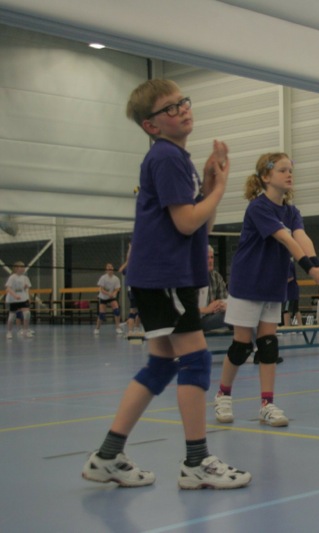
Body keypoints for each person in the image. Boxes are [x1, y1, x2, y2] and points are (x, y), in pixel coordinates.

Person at [82, 79, 250, 489]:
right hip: (165, 278)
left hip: (164, 277)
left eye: (183, 102)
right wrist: (221, 189)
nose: (183, 109)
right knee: (196, 361)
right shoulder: (166, 157)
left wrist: (208, 186)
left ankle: (107, 456)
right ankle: (196, 461)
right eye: (170, 108)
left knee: (160, 365)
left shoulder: (176, 158)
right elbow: (187, 222)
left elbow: (201, 225)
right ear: (151, 125)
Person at [214, 152, 319, 427]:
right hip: (248, 283)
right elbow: (286, 239)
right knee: (242, 346)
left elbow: (301, 237)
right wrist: (309, 269)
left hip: (272, 283)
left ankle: (267, 404)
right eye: (282, 170)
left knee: (268, 344)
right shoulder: (258, 207)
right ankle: (223, 395)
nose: (289, 174)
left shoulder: (291, 211)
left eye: (291, 170)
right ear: (266, 176)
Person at [197, 245, 229, 332]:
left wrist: (222, 305)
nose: (210, 261)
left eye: (212, 257)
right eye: (207, 258)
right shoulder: (192, 279)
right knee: (230, 317)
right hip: (197, 319)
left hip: (212, 315)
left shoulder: (216, 276)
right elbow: (187, 311)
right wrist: (207, 309)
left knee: (235, 313)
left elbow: (225, 300)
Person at [5, 261, 33, 339]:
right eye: (21, 267)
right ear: (16, 268)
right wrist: (15, 295)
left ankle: (25, 331)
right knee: (12, 316)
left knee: (27, 313)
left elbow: (27, 289)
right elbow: (8, 289)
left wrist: (29, 297)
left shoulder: (25, 278)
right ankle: (9, 332)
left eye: (23, 267)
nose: (23, 269)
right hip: (13, 299)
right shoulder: (12, 277)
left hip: (23, 298)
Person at [118, 244, 142, 336]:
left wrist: (130, 249)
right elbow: (121, 269)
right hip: (134, 291)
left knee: (137, 312)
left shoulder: (134, 267)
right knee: (134, 312)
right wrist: (130, 249)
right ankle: (132, 331)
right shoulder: (132, 268)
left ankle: (134, 330)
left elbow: (122, 269)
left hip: (137, 291)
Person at [94, 263, 123, 336]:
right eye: (108, 267)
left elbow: (117, 288)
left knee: (117, 311)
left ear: (113, 269)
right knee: (102, 315)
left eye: (111, 267)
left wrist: (114, 293)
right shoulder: (103, 278)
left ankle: (118, 328)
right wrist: (108, 294)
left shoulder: (116, 278)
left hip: (111, 297)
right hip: (103, 297)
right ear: (106, 270)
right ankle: (97, 328)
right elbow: (101, 289)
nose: (110, 268)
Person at [282, 260, 303, 327]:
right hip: (293, 291)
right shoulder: (289, 263)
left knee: (286, 310)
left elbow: (290, 277)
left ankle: (287, 328)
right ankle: (301, 327)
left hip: (289, 292)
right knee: (296, 310)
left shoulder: (287, 263)